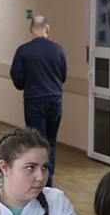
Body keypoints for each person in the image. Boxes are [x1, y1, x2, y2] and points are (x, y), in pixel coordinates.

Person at [10, 16, 67, 187]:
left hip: (34, 100)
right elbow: (63, 76)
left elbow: (17, 77)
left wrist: (26, 84)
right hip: (55, 100)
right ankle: (48, 182)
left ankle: (36, 180)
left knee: (36, 142)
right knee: (51, 142)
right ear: (47, 29)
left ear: (30, 29)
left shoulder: (23, 51)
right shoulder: (58, 50)